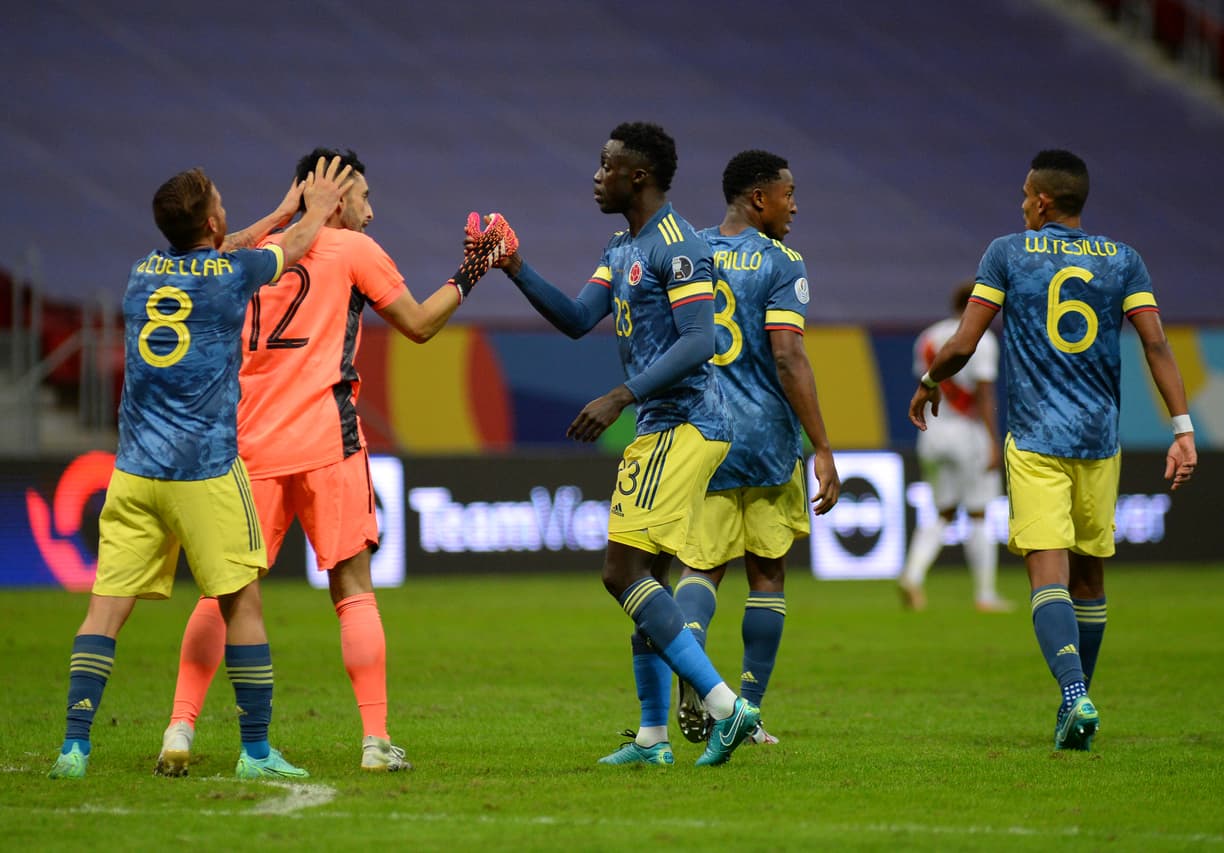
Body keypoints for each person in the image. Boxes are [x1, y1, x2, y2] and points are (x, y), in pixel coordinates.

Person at [154, 148, 512, 777]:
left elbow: (198, 259)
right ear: (336, 198)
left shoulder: (242, 253)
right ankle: (375, 741)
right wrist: (470, 272)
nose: (371, 214)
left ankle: (179, 728)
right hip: (328, 443)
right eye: (365, 198)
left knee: (223, 594)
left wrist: (284, 213)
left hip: (250, 448)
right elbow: (422, 326)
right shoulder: (352, 251)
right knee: (352, 591)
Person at [50, 157, 353, 779]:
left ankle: (74, 748)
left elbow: (219, 249)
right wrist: (314, 210)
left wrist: (273, 213)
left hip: (133, 473)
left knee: (105, 609)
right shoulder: (228, 275)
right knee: (242, 603)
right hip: (206, 473)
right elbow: (289, 252)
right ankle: (257, 752)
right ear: (214, 221)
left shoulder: (141, 273)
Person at [478, 122, 761, 766]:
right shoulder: (622, 246)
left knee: (620, 571)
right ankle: (653, 739)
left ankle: (725, 706)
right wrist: (514, 267)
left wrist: (621, 395)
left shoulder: (677, 245)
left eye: (606, 166)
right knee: (650, 578)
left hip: (684, 422)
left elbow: (700, 341)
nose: (596, 175)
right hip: (665, 424)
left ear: (639, 175)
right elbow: (580, 319)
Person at [908, 149, 1197, 752]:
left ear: (1042, 200)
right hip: (1100, 439)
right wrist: (1183, 428)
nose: (1021, 204)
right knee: (1090, 576)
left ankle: (1072, 695)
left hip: (1038, 436)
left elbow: (966, 339)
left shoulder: (1008, 252)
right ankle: (1079, 699)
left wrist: (931, 381)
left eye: (1024, 194)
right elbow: (1157, 345)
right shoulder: (1125, 260)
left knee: (1048, 571)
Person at [671, 150, 840, 748]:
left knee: (700, 567)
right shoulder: (780, 261)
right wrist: (821, 444)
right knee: (766, 575)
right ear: (758, 198)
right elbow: (788, 354)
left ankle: (692, 669)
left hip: (702, 435)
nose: (795, 205)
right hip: (767, 439)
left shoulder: (686, 250)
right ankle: (748, 709)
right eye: (788, 193)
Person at [899, 281, 1012, 613]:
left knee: (944, 511)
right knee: (977, 512)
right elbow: (984, 393)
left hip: (932, 434)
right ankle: (985, 594)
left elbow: (929, 383)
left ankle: (912, 575)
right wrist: (993, 442)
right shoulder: (983, 340)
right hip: (967, 433)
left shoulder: (928, 337)